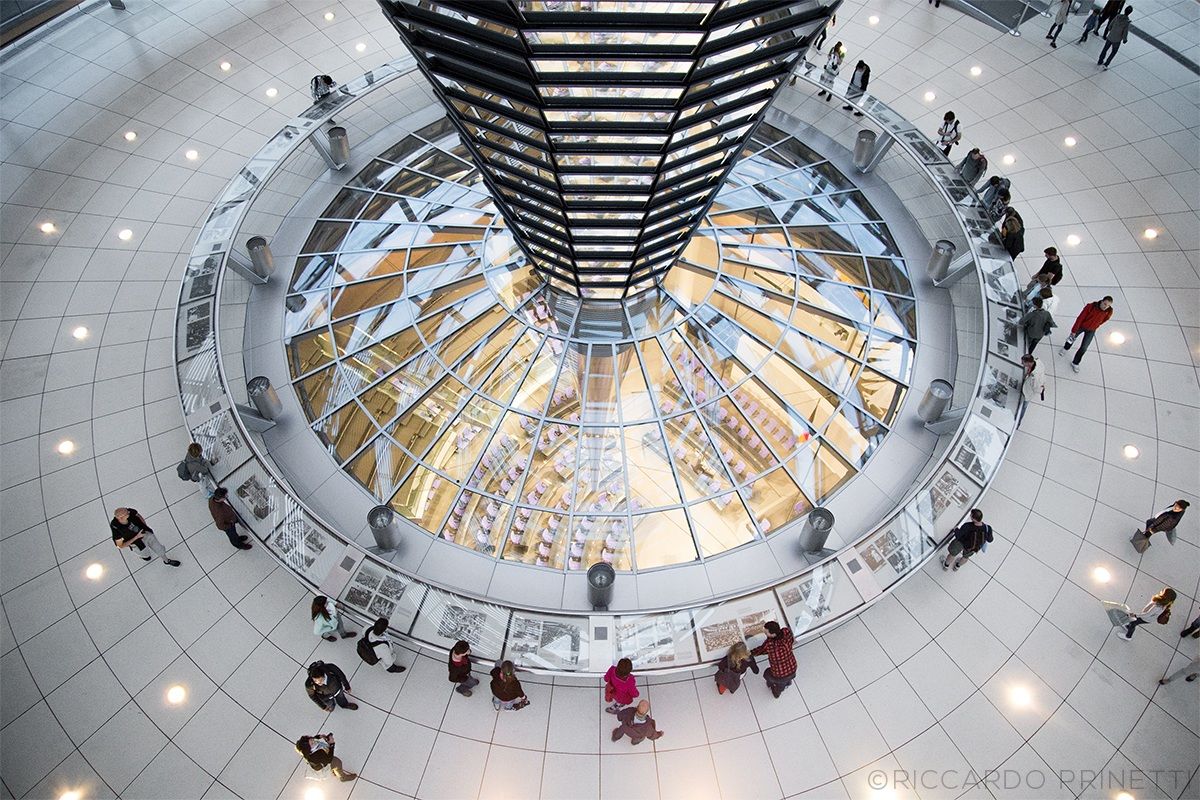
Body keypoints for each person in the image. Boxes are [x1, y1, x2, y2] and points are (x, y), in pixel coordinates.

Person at [110, 507, 181, 567]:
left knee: (159, 549)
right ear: (121, 518)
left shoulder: (130, 512)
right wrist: (137, 537)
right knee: (145, 554)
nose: (129, 512)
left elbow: (137, 515)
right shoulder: (116, 528)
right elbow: (120, 546)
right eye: (127, 513)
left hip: (145, 534)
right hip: (137, 543)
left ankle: (166, 561)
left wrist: (145, 526)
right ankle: (145, 557)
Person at [1061, 296, 1113, 372]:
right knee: (1071, 338)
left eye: (1108, 305)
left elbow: (1104, 320)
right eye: (1105, 304)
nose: (1106, 307)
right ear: (1101, 301)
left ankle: (1075, 362)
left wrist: (1096, 325)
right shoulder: (1091, 306)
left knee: (1084, 347)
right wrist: (1074, 330)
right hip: (1081, 326)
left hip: (1091, 330)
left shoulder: (1109, 312)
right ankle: (1065, 348)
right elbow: (1080, 318)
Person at [750, 621, 796, 698]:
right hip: (793, 666)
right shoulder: (786, 631)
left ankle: (777, 693)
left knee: (767, 675)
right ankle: (788, 682)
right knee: (786, 679)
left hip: (780, 674)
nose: (765, 633)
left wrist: (749, 653)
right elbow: (791, 640)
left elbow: (760, 651)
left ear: (773, 634)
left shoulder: (770, 645)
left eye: (766, 633)